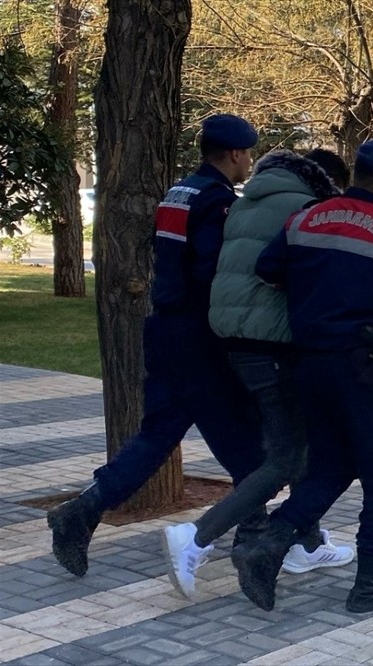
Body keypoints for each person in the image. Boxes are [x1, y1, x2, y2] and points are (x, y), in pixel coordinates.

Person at [46, 114, 266, 578]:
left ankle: (82, 511)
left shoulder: (178, 191)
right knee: (244, 444)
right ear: (234, 154)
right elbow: (211, 273)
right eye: (248, 154)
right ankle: (258, 541)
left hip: (164, 328)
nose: (249, 162)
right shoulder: (217, 201)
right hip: (198, 336)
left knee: (157, 436)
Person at [231, 139, 373, 614]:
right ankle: (371, 585)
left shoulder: (306, 217)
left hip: (309, 367)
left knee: (332, 466)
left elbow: (268, 269)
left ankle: (267, 546)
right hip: (363, 368)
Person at [159, 149, 353, 599]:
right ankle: (195, 537)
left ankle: (305, 543)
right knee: (286, 458)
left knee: (300, 446)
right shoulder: (305, 209)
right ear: (328, 182)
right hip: (274, 344)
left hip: (235, 340)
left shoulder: (247, 199)